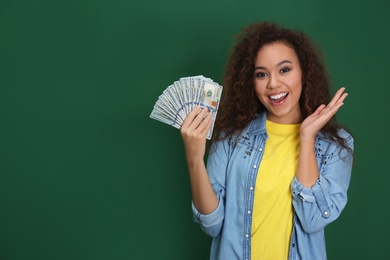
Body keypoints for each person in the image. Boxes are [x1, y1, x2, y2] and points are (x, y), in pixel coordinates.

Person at [180, 21, 354, 260]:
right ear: (251, 82)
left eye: (284, 70)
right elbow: (212, 225)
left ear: (304, 72)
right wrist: (194, 159)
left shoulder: (334, 146)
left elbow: (313, 219)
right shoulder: (231, 137)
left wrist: (306, 138)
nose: (273, 83)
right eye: (261, 74)